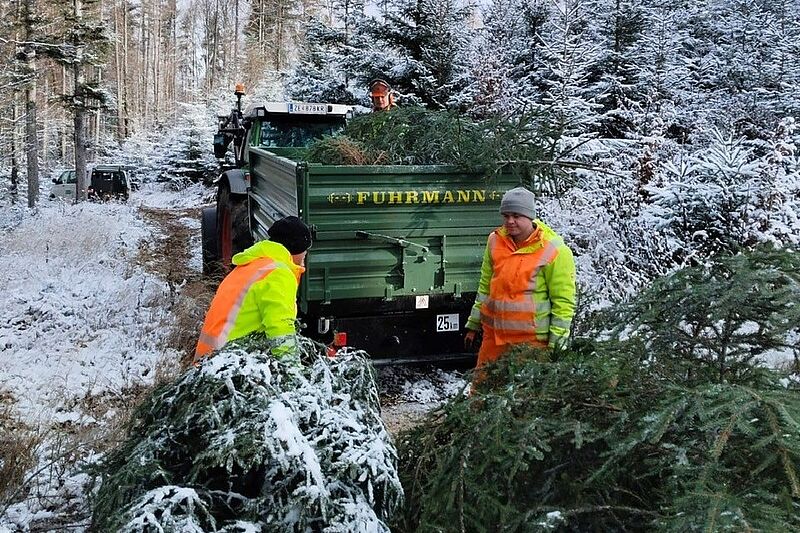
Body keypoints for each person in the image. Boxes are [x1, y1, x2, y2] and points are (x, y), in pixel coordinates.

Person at [464, 186, 576, 372]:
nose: (510, 221)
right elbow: (485, 288)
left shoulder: (554, 250)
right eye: (506, 215)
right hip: (494, 339)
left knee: (524, 398)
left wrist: (556, 345)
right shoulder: (495, 240)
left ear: (529, 216)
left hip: (532, 343)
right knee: (481, 394)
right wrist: (473, 324)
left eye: (516, 216)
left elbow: (563, 302)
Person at [193, 216, 312, 364]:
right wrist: (293, 373)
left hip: (209, 361)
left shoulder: (252, 266)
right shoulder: (278, 274)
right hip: (229, 364)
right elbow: (281, 328)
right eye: (305, 249)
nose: (306, 254)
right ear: (295, 248)